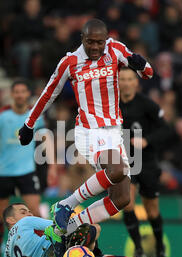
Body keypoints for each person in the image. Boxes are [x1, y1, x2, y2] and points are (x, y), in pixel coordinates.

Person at [18, 19, 154, 237]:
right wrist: (28, 124)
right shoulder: (70, 62)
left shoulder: (115, 49)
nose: (95, 47)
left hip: (114, 131)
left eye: (99, 42)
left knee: (122, 198)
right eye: (90, 42)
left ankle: (64, 229)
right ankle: (66, 204)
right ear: (82, 39)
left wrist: (141, 64)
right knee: (116, 169)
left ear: (106, 39)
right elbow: (48, 93)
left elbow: (148, 73)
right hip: (88, 131)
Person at [0, 79, 51, 257]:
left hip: (26, 171)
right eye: (16, 92)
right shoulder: (1, 116)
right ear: (12, 95)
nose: (19, 95)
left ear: (27, 94)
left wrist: (52, 165)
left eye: (23, 91)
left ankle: (47, 250)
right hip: (3, 172)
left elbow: (46, 138)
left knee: (35, 211)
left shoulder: (35, 115)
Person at [118, 67, 172, 257]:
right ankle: (138, 248)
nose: (125, 83)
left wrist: (147, 140)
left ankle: (159, 249)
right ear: (118, 82)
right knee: (127, 203)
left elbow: (166, 129)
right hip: (125, 162)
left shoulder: (147, 104)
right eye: (122, 79)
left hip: (147, 162)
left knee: (152, 210)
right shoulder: (112, 105)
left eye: (129, 79)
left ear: (135, 82)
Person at [0, 203, 149, 257]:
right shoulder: (25, 222)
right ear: (11, 220)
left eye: (30, 211)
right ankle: (93, 254)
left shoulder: (8, 253)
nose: (30, 215)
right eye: (24, 212)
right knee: (94, 228)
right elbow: (61, 226)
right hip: (54, 253)